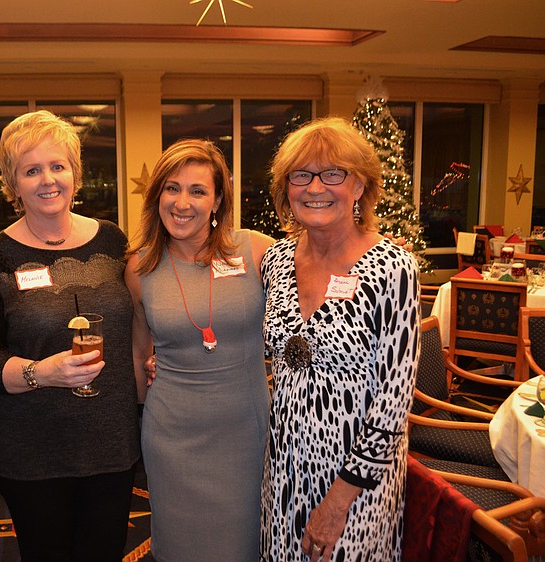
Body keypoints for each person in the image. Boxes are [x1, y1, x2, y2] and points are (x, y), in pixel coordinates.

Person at [0, 110, 140, 562]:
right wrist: (39, 372)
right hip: (32, 450)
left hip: (111, 444)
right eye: (31, 170)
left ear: (75, 174)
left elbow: (140, 319)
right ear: (13, 183)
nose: (47, 180)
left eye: (58, 166)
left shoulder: (111, 240)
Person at [259, 117, 420, 561]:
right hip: (285, 466)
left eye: (333, 174)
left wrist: (338, 502)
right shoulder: (274, 260)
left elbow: (395, 399)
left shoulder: (392, 267)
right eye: (301, 175)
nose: (315, 188)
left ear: (360, 185)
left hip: (356, 480)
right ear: (285, 188)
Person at [125, 139, 273, 562]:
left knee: (244, 545)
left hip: (245, 434)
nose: (181, 203)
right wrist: (138, 417)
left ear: (218, 199)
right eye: (171, 188)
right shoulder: (139, 268)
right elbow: (139, 353)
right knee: (179, 548)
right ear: (157, 196)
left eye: (197, 190)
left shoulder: (257, 251)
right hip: (172, 437)